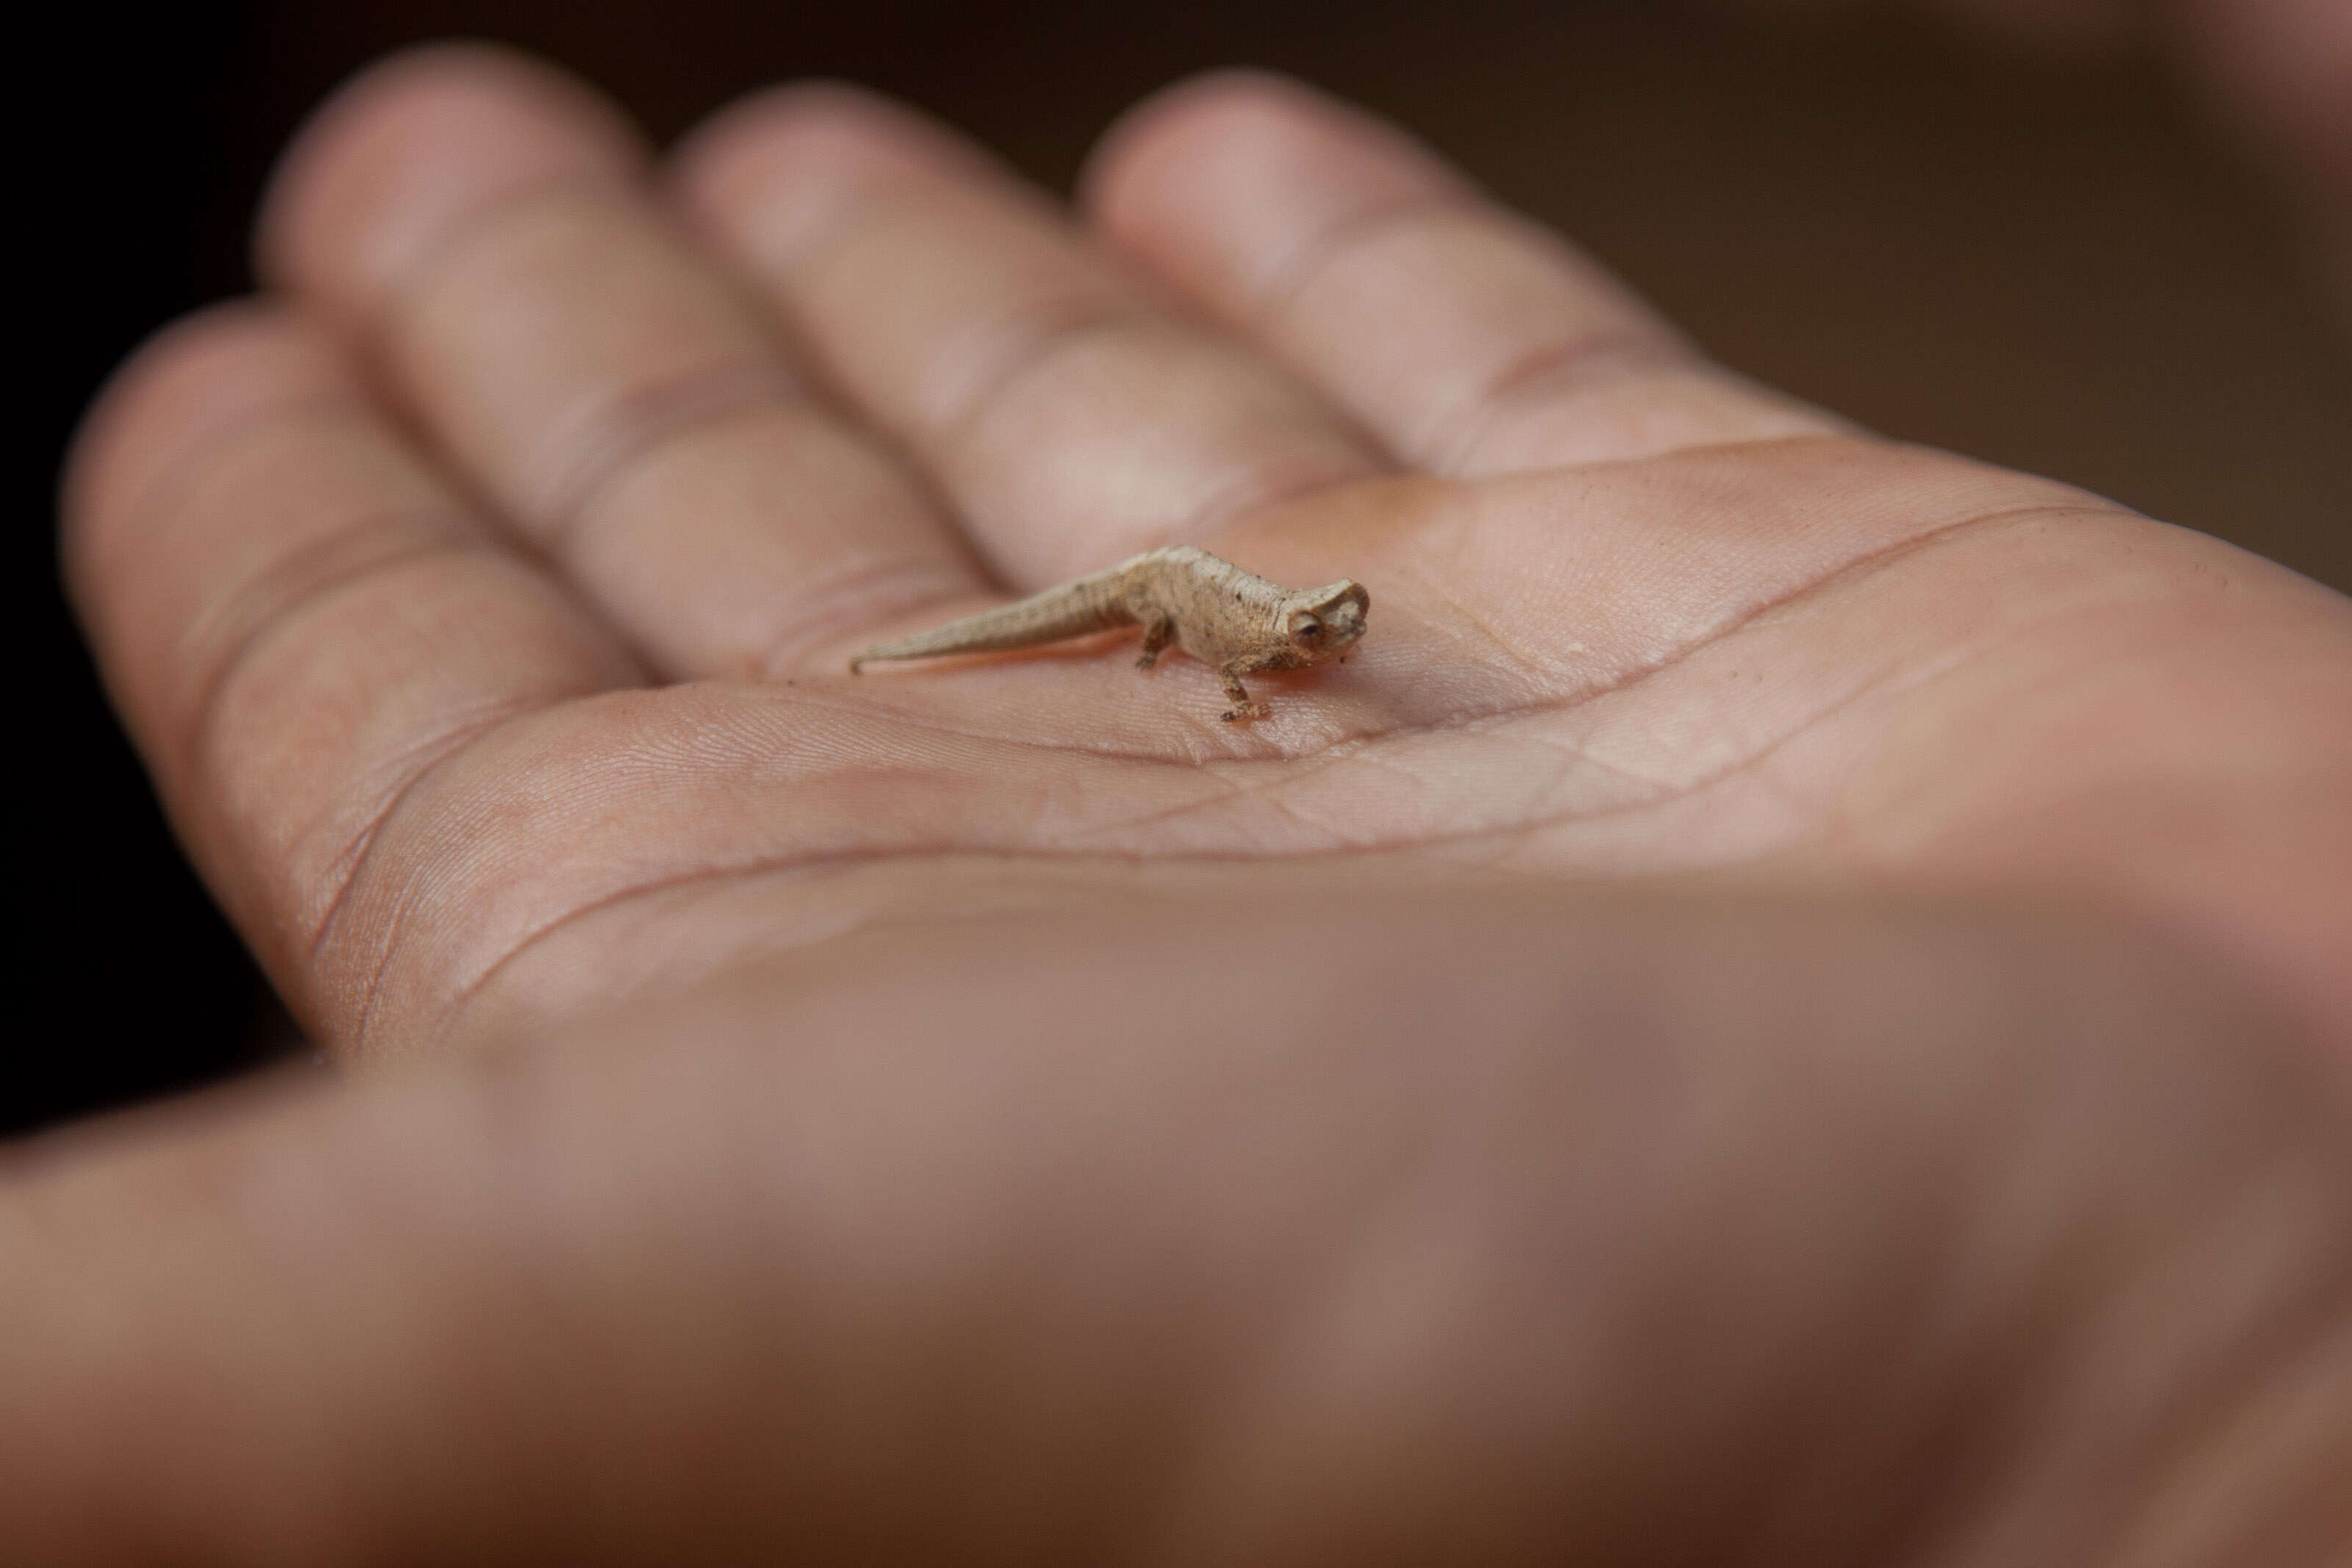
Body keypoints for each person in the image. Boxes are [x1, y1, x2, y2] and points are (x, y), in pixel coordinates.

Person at [13, 25, 2351, 1559]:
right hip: (1140, 588)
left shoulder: (1311, 636)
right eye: (1323, 644)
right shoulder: (1232, 626)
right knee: (1002, 624)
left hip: (1174, 586)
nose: (1338, 661)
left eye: (1331, 645)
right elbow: (1198, 628)